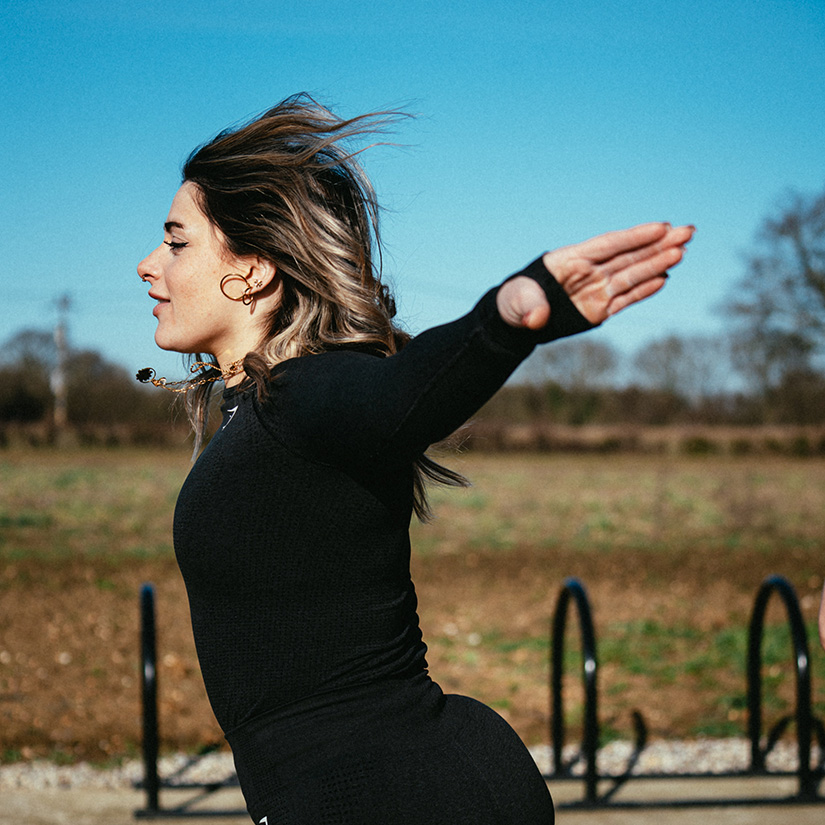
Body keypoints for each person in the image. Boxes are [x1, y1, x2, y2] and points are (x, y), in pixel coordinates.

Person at [137, 93, 694, 825]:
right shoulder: (253, 409)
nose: (150, 265)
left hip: (393, 792)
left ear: (253, 271)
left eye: (177, 243)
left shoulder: (306, 393)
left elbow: (400, 394)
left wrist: (503, 320)